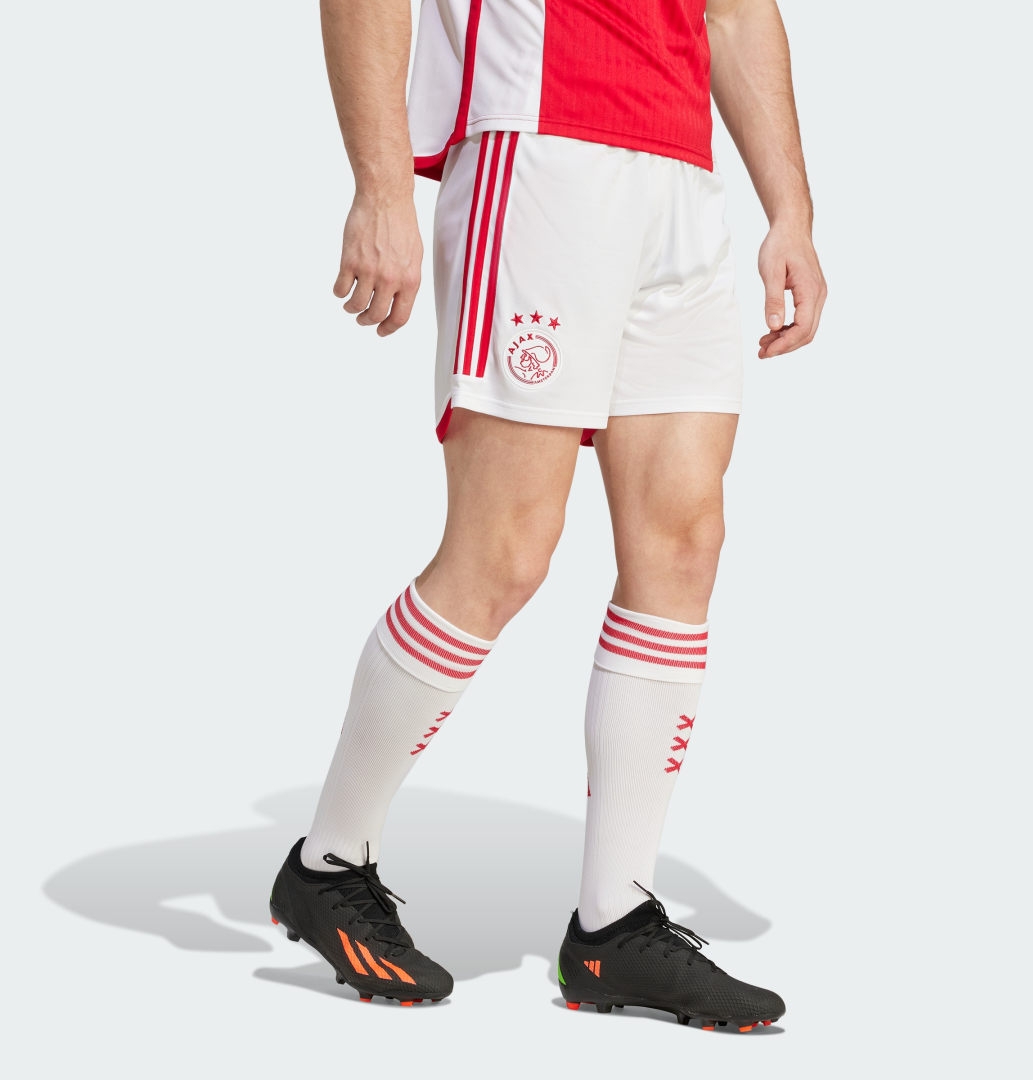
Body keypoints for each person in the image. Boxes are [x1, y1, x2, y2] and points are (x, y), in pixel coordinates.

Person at [270, 0, 825, 1030]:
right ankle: (328, 862)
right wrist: (381, 187)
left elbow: (738, 10)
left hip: (683, 178)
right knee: (504, 552)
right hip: (539, 151)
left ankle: (615, 925)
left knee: (683, 544)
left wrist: (789, 209)